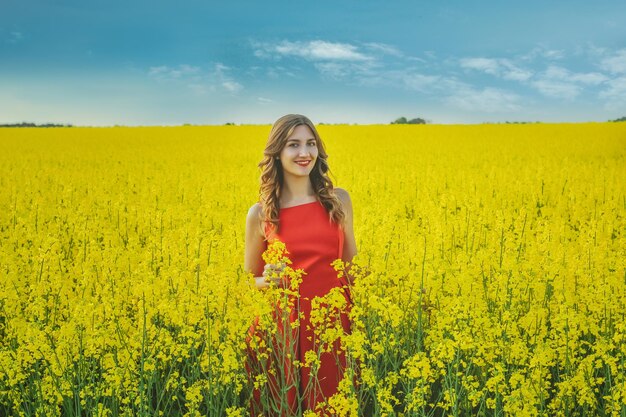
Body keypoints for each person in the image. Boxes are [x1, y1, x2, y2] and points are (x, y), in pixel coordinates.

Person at [244, 114, 357, 415]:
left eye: (310, 144)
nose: (304, 153)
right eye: (293, 145)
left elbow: (351, 268)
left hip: (332, 324)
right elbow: (248, 280)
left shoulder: (339, 200)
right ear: (277, 153)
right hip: (284, 327)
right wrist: (265, 279)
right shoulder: (260, 214)